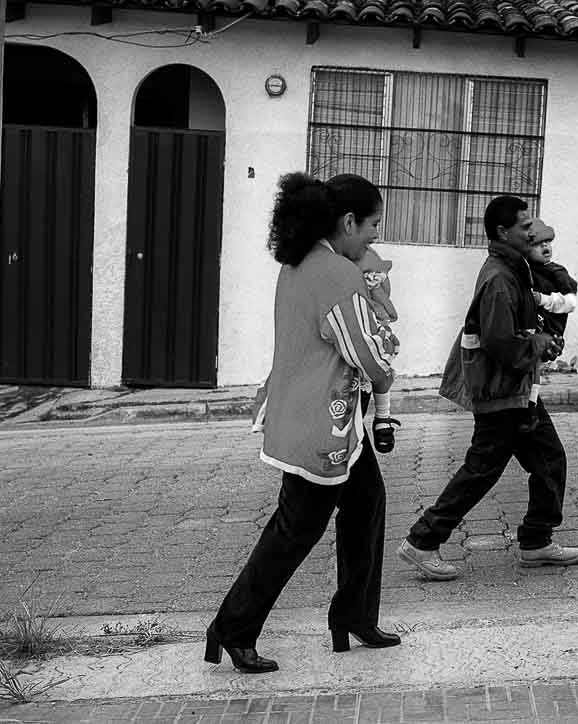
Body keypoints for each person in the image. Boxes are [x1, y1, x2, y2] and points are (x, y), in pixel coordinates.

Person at [205, 172, 401, 674]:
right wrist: (386, 360)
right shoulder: (335, 274)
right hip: (322, 424)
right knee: (295, 530)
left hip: (318, 418)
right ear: (348, 221)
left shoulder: (299, 264)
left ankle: (354, 615)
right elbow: (364, 352)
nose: (376, 235)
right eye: (373, 224)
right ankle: (233, 627)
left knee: (365, 507)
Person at [398, 196, 578, 581]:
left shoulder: (517, 268)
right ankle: (422, 541)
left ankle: (536, 541)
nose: (531, 232)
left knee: (548, 461)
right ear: (502, 232)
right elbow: (499, 342)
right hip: (502, 394)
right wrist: (538, 345)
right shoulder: (499, 278)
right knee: (481, 472)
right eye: (524, 227)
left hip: (517, 389)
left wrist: (543, 335)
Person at [524, 219, 578, 406]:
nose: (545, 246)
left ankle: (531, 405)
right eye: (538, 244)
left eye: (547, 242)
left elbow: (571, 303)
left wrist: (543, 299)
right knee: (531, 371)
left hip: (550, 332)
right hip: (533, 330)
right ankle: (531, 404)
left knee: (534, 370)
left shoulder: (557, 273)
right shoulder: (527, 271)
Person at [356, 246, 403, 453]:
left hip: (369, 328)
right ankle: (382, 418)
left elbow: (384, 299)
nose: (374, 233)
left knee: (380, 365)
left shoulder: (368, 258)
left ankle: (383, 416)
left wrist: (380, 315)